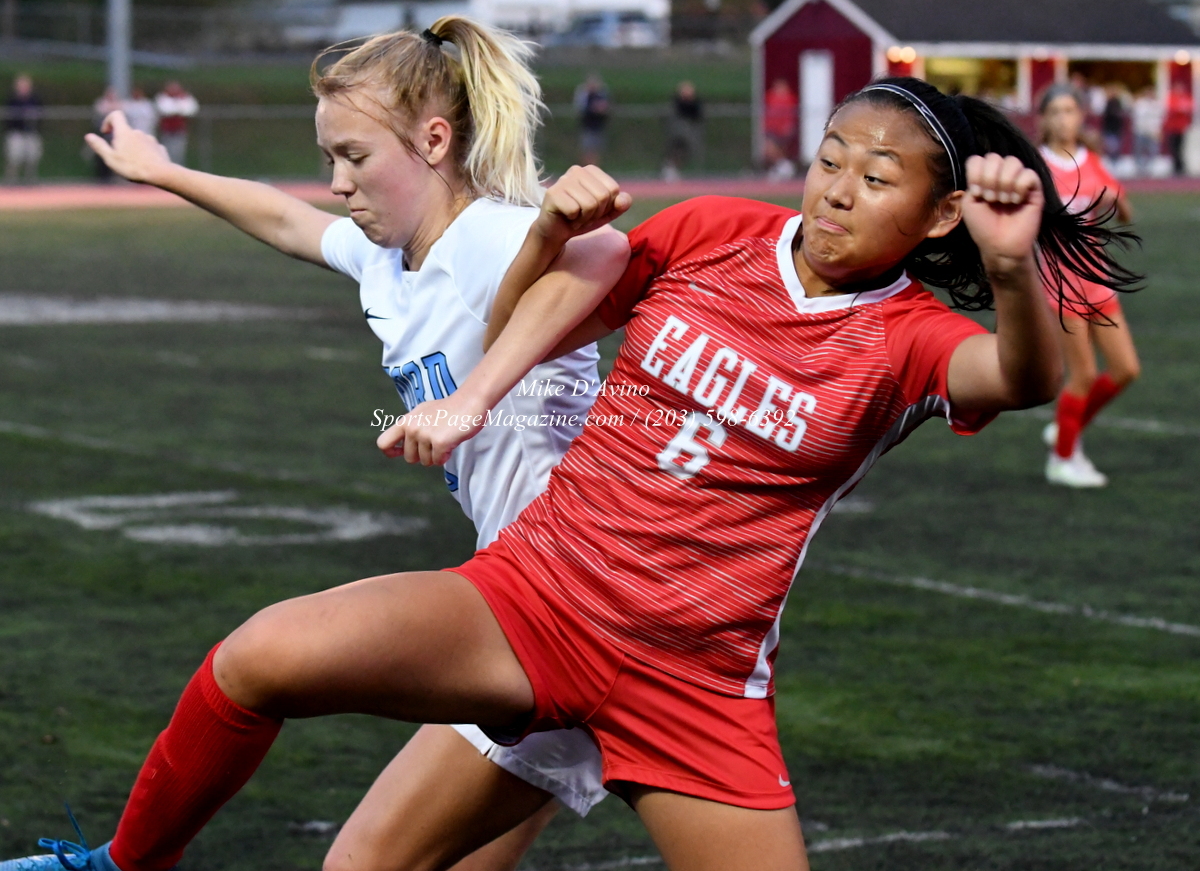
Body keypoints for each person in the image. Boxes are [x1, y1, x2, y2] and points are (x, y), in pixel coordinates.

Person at [2, 77, 1138, 871]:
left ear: (941, 214)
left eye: (876, 177)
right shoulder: (716, 230)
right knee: (260, 661)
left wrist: (1013, 271)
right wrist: (504, 335)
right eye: (830, 158)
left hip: (692, 675)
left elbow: (1022, 377)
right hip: (537, 597)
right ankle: (130, 864)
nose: (837, 187)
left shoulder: (909, 337)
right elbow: (537, 312)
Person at [46, 17, 632, 871]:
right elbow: (286, 219)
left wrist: (472, 397)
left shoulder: (485, 236)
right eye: (329, 158)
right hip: (530, 599)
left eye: (355, 156)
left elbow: (606, 247)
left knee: (281, 702)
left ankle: (121, 864)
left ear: (435, 141)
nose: (336, 182)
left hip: (569, 598)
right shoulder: (389, 256)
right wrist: (163, 170)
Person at [1037, 83, 1139, 488]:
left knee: (1126, 369)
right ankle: (1062, 460)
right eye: (1055, 112)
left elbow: (1125, 212)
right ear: (1044, 120)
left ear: (1081, 117)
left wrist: (1113, 198)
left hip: (1097, 279)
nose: (1063, 119)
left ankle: (1068, 426)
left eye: (1070, 111)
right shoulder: (1037, 166)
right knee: (1082, 375)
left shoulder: (1091, 160)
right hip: (1062, 283)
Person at [4, 74, 43, 184]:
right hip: (16, 133)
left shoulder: (35, 99)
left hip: (31, 133)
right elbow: (8, 117)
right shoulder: (12, 99)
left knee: (32, 157)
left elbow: (41, 114)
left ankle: (30, 181)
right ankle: (11, 181)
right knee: (14, 157)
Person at [662, 80, 703, 181]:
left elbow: (697, 115)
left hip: (690, 130)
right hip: (680, 130)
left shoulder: (695, 103)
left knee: (687, 150)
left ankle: (675, 168)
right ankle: (669, 168)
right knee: (677, 148)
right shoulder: (678, 103)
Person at [154, 81, 199, 166]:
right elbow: (166, 110)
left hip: (179, 130)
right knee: (165, 151)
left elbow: (190, 110)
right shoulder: (162, 97)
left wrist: (177, 109)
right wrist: (177, 109)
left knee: (178, 153)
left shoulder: (185, 97)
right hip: (166, 130)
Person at [762, 76, 798, 173]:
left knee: (781, 149)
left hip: (783, 129)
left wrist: (789, 126)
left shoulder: (790, 98)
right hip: (772, 128)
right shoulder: (770, 96)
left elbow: (791, 114)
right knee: (769, 148)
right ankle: (783, 166)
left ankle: (784, 167)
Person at [574, 74, 609, 165]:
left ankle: (594, 167)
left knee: (596, 151)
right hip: (587, 127)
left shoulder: (601, 95)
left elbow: (606, 108)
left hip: (598, 127)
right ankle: (586, 168)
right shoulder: (584, 95)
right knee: (587, 150)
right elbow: (581, 109)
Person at [1163, 81, 1194, 176]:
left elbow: (1189, 108)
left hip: (1181, 127)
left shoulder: (1185, 97)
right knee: (1173, 148)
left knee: (1180, 147)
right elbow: (1172, 109)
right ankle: (1177, 166)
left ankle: (1180, 166)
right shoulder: (1172, 97)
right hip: (1172, 127)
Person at [1131, 86, 1164, 176]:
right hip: (1141, 131)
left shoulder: (1157, 104)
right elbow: (1137, 117)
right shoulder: (1140, 103)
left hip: (1153, 131)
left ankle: (1150, 167)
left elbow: (1159, 119)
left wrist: (1158, 130)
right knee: (1139, 149)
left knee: (1153, 150)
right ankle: (1140, 167)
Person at [1100, 84, 1127, 162]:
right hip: (1110, 128)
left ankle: (1115, 161)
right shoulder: (1108, 102)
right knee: (1110, 146)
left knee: (1115, 147)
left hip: (1115, 128)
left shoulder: (1118, 102)